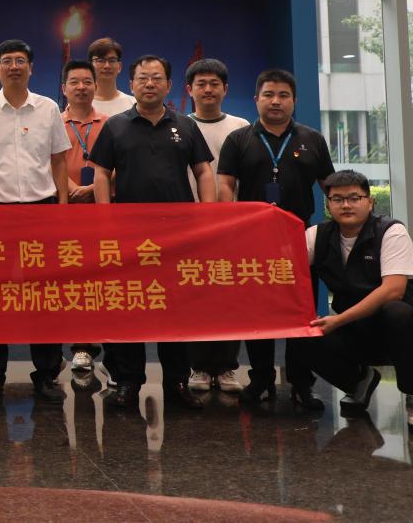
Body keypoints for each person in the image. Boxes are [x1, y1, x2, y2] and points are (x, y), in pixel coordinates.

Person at [89, 54, 214, 411]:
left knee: (175, 309)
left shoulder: (186, 126)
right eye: (142, 78)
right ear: (131, 85)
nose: (149, 84)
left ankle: (177, 382)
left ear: (169, 85)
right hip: (129, 236)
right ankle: (129, 381)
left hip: (178, 236)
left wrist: (208, 215)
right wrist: (104, 219)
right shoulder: (115, 126)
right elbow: (101, 174)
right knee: (129, 307)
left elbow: (203, 171)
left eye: (157, 78)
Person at [216, 68, 334, 410]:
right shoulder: (238, 139)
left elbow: (330, 186)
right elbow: (225, 185)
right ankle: (262, 379)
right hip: (252, 240)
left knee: (302, 312)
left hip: (300, 240)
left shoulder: (312, 139)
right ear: (257, 99)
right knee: (257, 313)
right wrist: (228, 225)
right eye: (269, 94)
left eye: (283, 95)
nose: (276, 101)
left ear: (294, 100)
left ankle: (301, 383)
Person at [0, 40, 71, 404]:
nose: (13, 66)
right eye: (6, 61)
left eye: (20, 60)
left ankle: (46, 374)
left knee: (44, 295)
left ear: (30, 67)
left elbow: (58, 159)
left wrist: (62, 206)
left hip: (41, 210)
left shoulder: (48, 108)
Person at [297, 170, 413, 427]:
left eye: (354, 198)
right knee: (303, 334)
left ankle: (412, 393)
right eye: (337, 199)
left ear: (370, 202)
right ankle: (359, 381)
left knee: (398, 312)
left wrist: (337, 321)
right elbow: (286, 270)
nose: (346, 205)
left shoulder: (391, 231)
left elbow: (393, 290)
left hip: (398, 329)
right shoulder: (316, 235)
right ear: (328, 205)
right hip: (355, 327)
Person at [182, 59, 250, 396]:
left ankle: (226, 367)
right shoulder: (179, 126)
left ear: (225, 89)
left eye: (214, 84)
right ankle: (197, 366)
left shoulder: (241, 127)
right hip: (187, 226)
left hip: (230, 225)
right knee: (193, 295)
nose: (208, 90)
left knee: (229, 296)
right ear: (189, 90)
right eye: (201, 84)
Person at [60, 59, 107, 384]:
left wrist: (92, 189)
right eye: (74, 82)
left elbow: (119, 163)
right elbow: (47, 161)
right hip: (65, 212)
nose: (81, 87)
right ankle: (79, 346)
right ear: (64, 88)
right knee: (72, 281)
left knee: (103, 281)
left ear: (95, 86)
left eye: (87, 82)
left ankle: (106, 347)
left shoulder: (111, 123)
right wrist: (71, 188)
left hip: (101, 211)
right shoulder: (53, 122)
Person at [88, 37, 135, 117]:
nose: (107, 66)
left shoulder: (134, 105)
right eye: (100, 60)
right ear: (90, 66)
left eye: (112, 60)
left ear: (119, 66)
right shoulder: (81, 105)